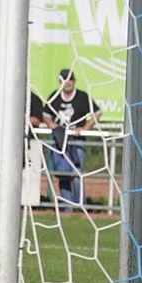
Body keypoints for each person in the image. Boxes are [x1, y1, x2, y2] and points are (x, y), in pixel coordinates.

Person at [43, 69, 101, 209]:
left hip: (76, 141)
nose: (67, 83)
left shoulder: (82, 97)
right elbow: (45, 114)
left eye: (70, 80)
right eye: (64, 80)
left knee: (76, 172)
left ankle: (80, 206)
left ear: (74, 81)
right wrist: (52, 125)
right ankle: (67, 208)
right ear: (60, 82)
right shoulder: (55, 96)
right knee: (62, 174)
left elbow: (97, 113)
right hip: (59, 140)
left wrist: (85, 128)